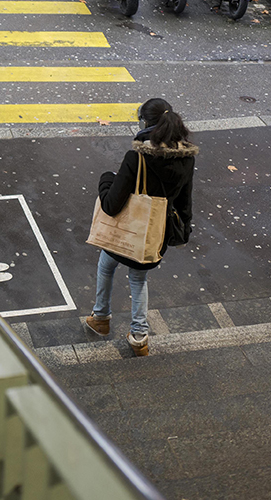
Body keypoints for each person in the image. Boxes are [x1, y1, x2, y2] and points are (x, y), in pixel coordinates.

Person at [84, 99, 198, 356]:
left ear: (146, 123)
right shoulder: (186, 158)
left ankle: (101, 318)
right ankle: (139, 336)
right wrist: (183, 231)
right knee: (138, 277)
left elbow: (112, 204)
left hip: (126, 233)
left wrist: (105, 180)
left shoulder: (137, 157)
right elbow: (184, 200)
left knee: (106, 263)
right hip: (154, 234)